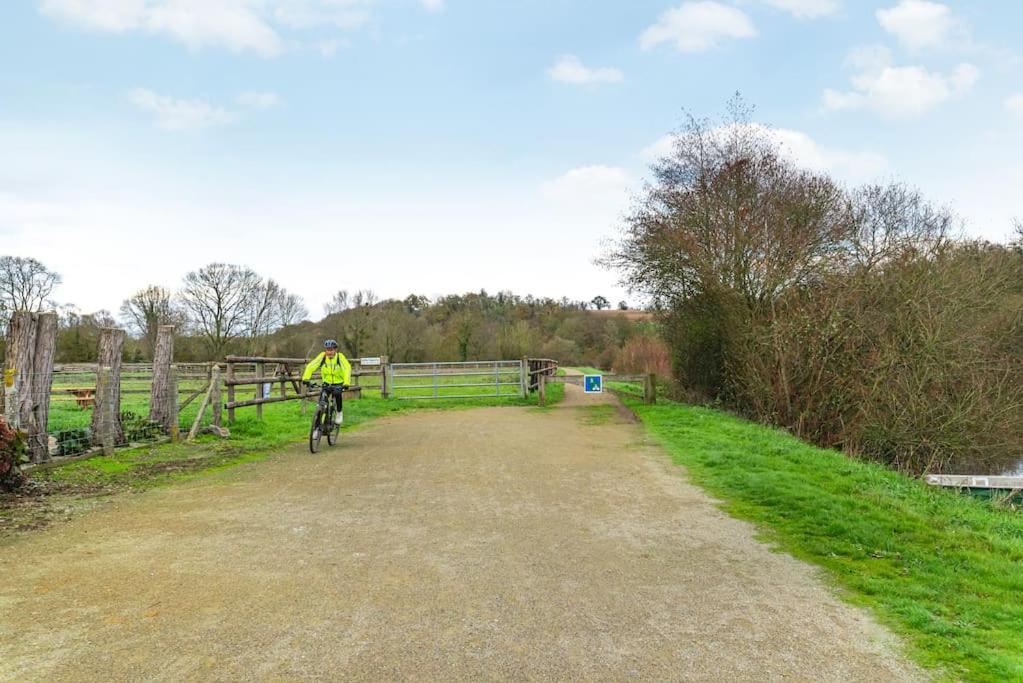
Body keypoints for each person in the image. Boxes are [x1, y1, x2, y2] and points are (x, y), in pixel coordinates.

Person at [302, 339, 352, 425]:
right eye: (327, 350)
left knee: (337, 394)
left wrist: (346, 383)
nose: (329, 352)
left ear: (335, 350)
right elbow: (311, 366)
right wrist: (306, 378)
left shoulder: (340, 357)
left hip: (338, 383)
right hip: (326, 383)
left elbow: (347, 368)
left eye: (331, 350)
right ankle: (317, 426)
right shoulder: (323, 356)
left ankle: (339, 412)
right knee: (322, 402)